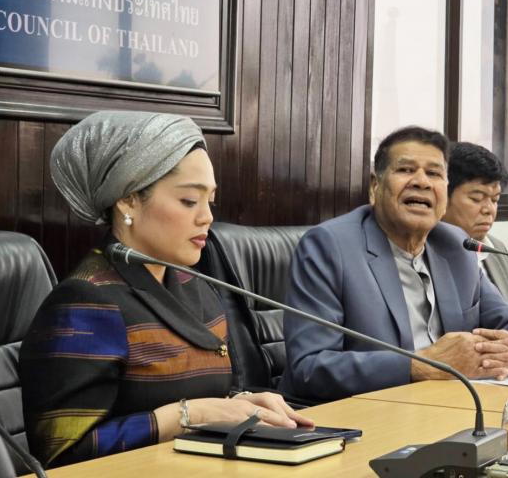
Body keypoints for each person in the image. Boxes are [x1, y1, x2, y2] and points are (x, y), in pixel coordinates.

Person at [20, 111, 311, 468]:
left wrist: (241, 404)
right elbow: (60, 455)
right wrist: (186, 416)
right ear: (128, 200)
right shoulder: (86, 302)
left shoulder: (194, 283)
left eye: (210, 201)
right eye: (189, 200)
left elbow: (198, 393)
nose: (207, 217)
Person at [281, 126, 508, 401]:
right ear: (375, 186)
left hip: (452, 404)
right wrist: (421, 365)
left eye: (434, 173)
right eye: (406, 170)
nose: (422, 182)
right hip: (365, 412)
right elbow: (309, 367)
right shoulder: (330, 246)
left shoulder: (456, 245)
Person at [441, 141, 508, 310]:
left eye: (495, 199)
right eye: (477, 198)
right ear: (442, 196)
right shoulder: (426, 253)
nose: (489, 210)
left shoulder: (496, 249)